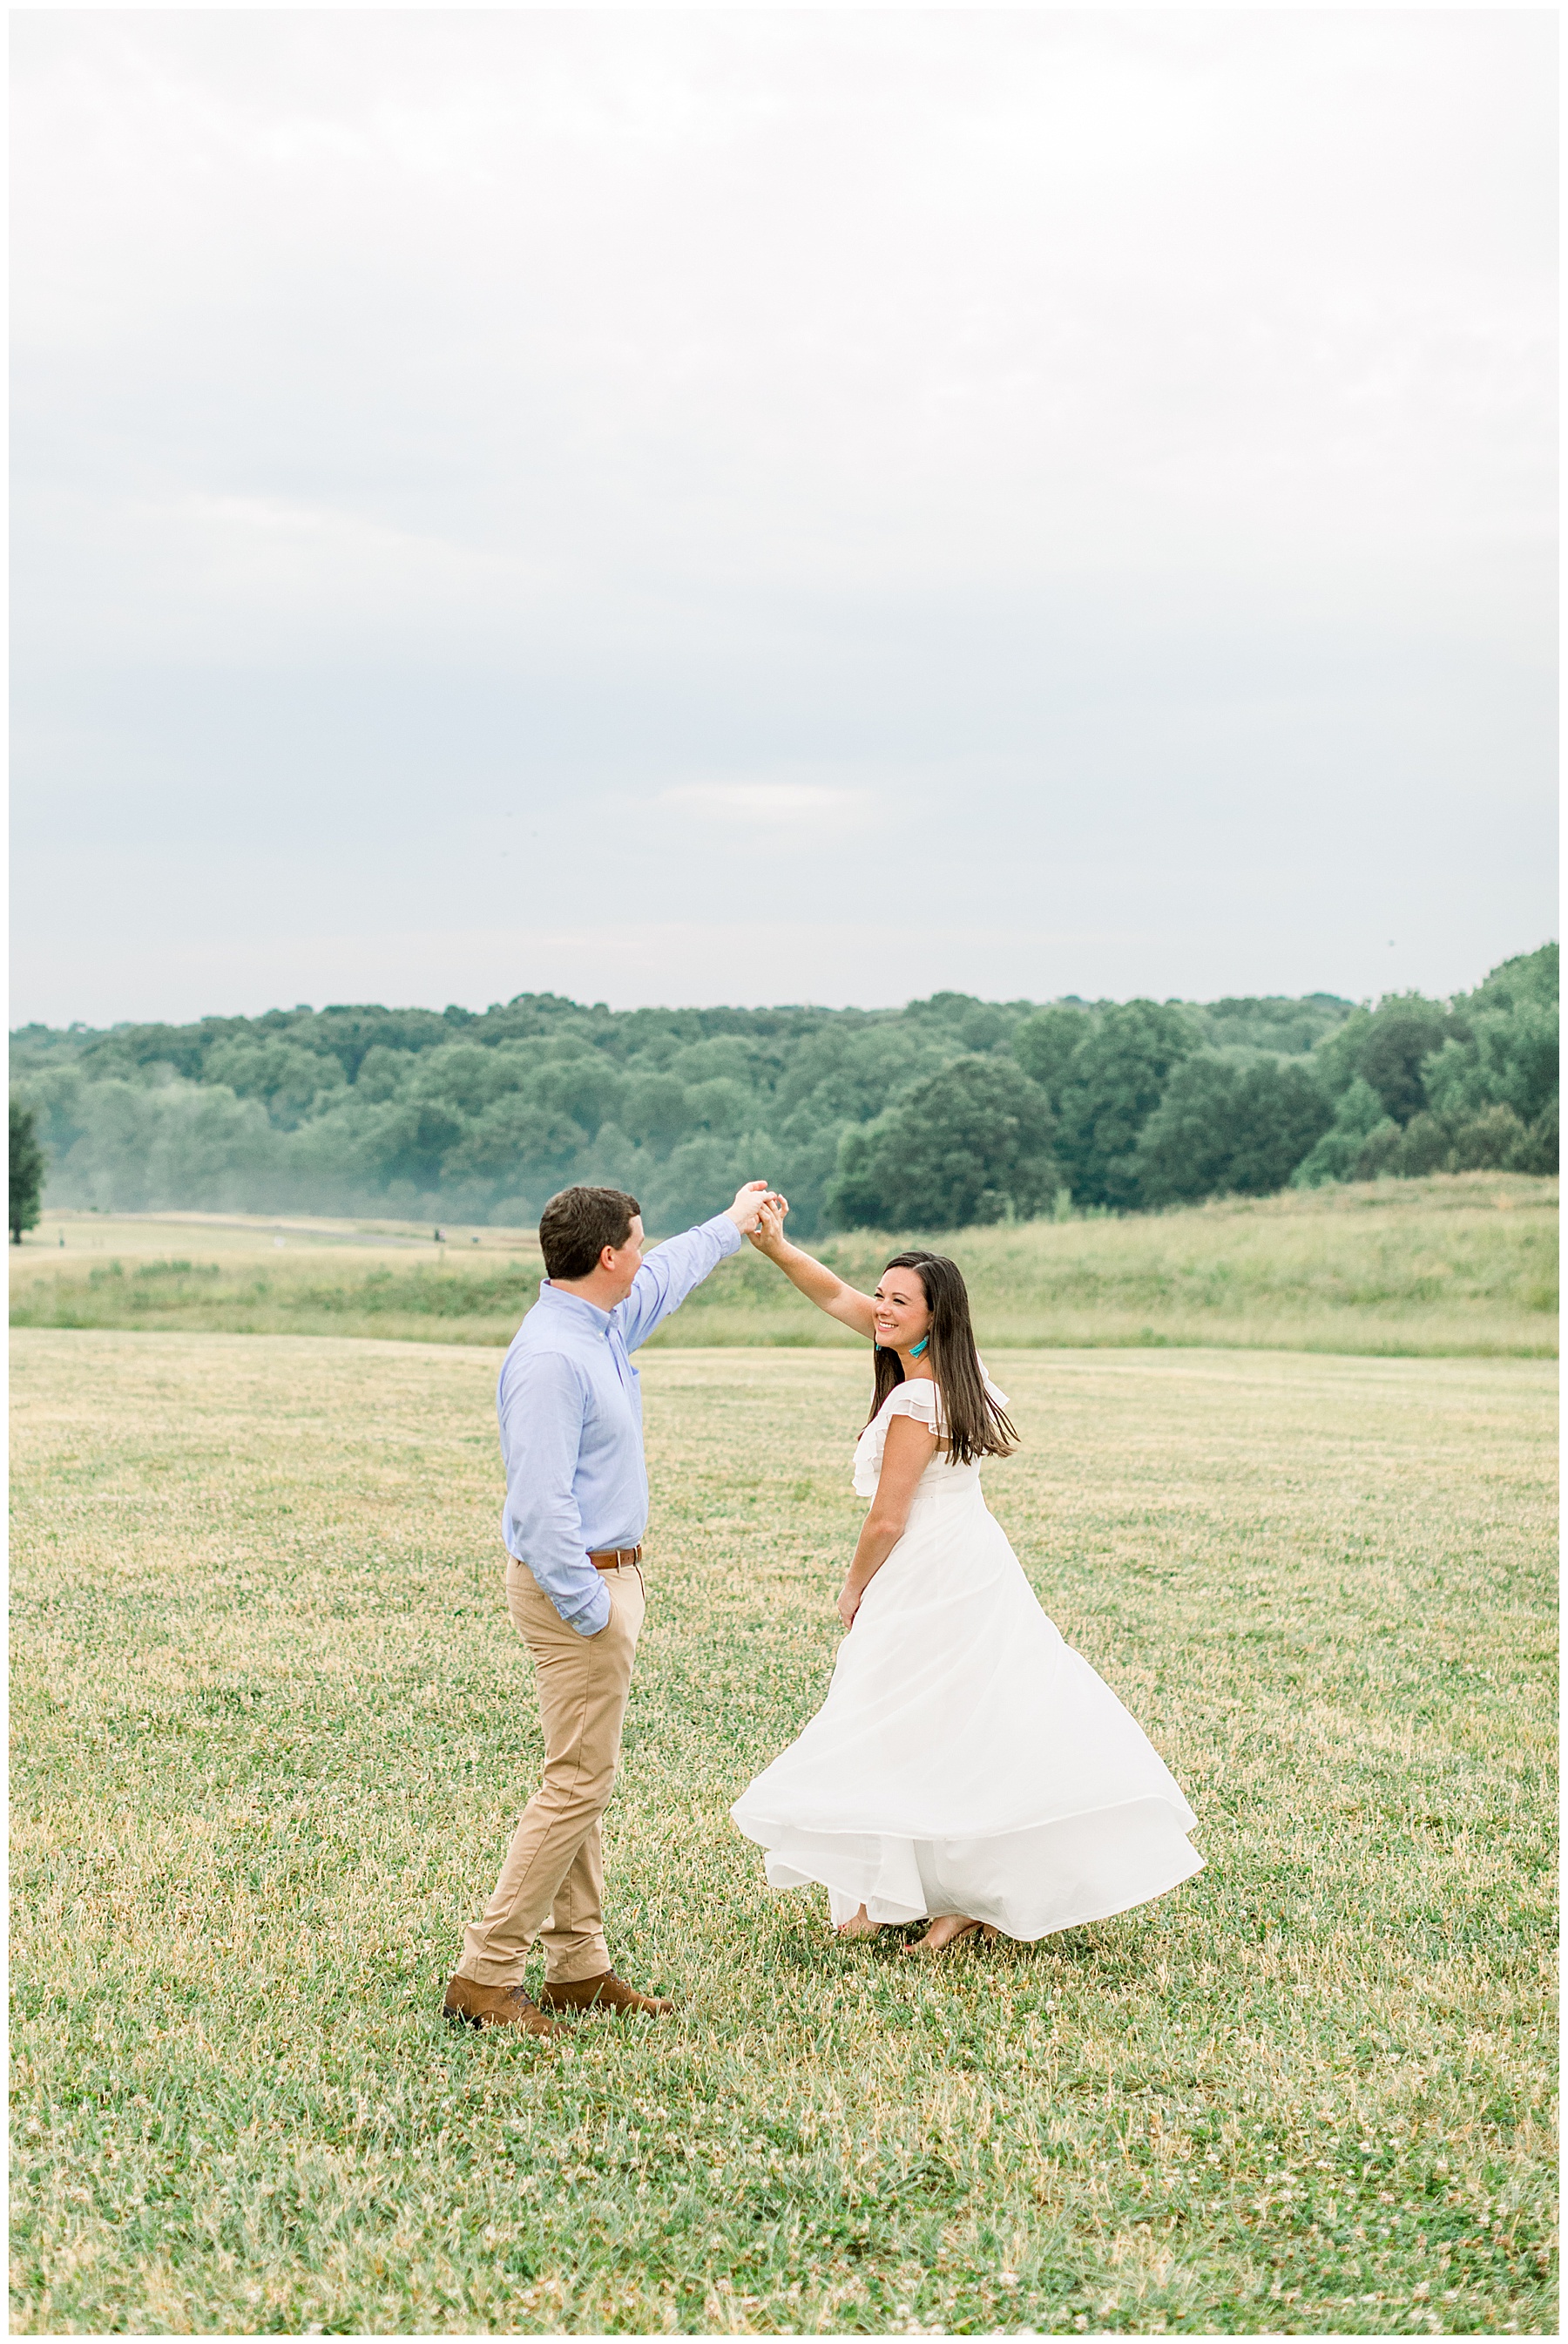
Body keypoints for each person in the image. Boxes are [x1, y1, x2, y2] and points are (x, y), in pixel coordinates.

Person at [732, 1204, 1202, 1950]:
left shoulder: (920, 1398)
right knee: (958, 1719)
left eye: (897, 1301)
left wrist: (853, 1587)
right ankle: (943, 1894)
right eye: (879, 1296)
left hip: (927, 1569)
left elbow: (887, 1520)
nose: (879, 1309)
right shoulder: (956, 1370)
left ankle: (928, 1895)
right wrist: (777, 1248)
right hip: (974, 1560)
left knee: (895, 1718)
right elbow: (831, 1294)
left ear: (932, 1317)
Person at [443, 1177, 772, 2037]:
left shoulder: (601, 1319)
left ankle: (579, 1966)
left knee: (578, 1780)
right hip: (575, 1586)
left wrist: (733, 1223)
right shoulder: (553, 1357)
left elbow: (672, 1272)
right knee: (578, 1783)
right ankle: (486, 1971)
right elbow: (540, 1505)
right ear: (607, 1254)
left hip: (600, 1578)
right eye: (639, 1237)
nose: (647, 1249)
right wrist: (595, 1609)